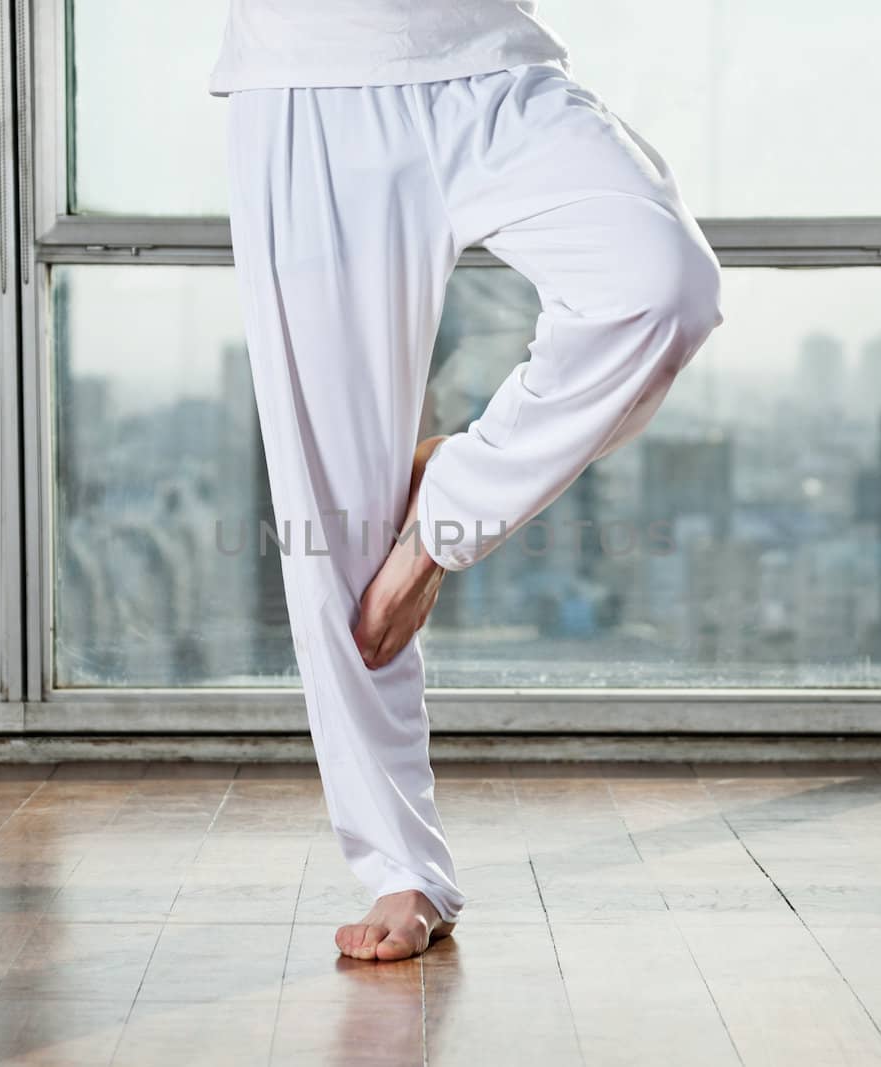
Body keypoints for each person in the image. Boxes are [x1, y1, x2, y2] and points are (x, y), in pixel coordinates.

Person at [210, 0, 724, 961]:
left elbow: (664, 297)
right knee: (335, 521)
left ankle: (451, 504)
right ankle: (401, 866)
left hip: (492, 61)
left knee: (662, 285)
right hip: (306, 80)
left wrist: (453, 518)